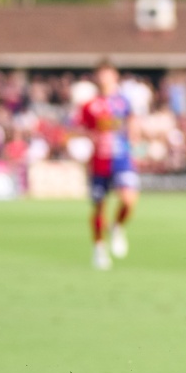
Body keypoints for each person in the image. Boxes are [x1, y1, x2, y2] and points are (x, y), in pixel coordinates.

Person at [76, 61, 139, 269]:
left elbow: (132, 123)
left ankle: (117, 226)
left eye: (108, 74)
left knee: (129, 200)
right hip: (99, 161)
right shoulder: (89, 105)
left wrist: (135, 142)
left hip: (121, 158)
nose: (104, 78)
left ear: (114, 76)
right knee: (99, 206)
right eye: (101, 74)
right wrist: (90, 139)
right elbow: (80, 130)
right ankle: (99, 249)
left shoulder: (123, 102)